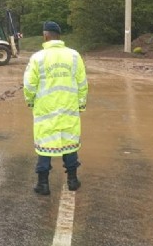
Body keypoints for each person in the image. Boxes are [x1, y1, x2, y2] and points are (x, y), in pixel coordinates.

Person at [23, 21, 88, 195]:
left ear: (45, 35)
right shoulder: (74, 56)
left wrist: (30, 102)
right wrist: (81, 104)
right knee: (70, 143)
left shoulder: (37, 58)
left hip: (46, 110)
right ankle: (73, 180)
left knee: (45, 144)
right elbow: (82, 84)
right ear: (60, 36)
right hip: (69, 108)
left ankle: (43, 184)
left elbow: (29, 85)